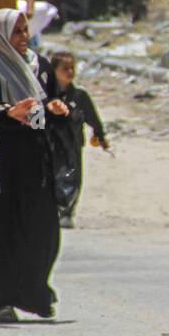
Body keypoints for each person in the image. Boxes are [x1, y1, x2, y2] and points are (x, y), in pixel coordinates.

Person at [0, 9, 68, 321]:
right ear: (1, 35)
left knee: (42, 230)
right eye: (17, 32)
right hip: (0, 162)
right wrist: (6, 113)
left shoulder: (38, 66)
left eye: (26, 31)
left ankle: (33, 291)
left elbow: (38, 118)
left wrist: (53, 109)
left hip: (34, 163)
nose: (24, 38)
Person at [47, 51, 108, 228]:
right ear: (54, 70)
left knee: (72, 176)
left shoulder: (79, 96)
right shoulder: (44, 94)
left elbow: (93, 118)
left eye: (72, 68)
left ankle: (66, 213)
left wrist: (101, 136)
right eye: (65, 68)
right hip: (49, 142)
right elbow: (35, 117)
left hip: (72, 143)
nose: (70, 72)